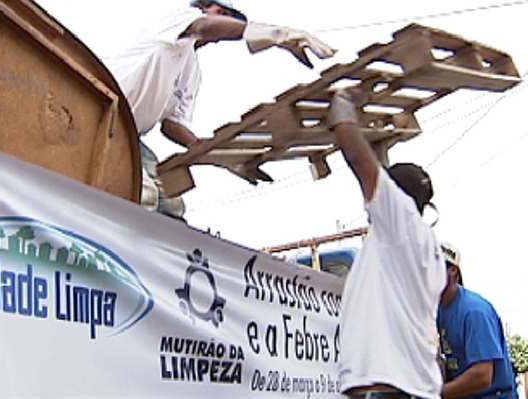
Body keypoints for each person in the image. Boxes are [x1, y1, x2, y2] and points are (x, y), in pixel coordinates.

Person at [105, 0, 336, 220]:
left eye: (230, 18)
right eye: (221, 14)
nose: (225, 24)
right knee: (142, 194)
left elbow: (172, 125)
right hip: (102, 110)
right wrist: (274, 34)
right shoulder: (181, 20)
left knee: (171, 204)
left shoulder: (191, 70)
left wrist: (219, 157)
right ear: (201, 7)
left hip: (130, 134)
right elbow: (204, 26)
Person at [327, 89, 447, 398]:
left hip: (391, 390)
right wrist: (379, 141)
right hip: (408, 387)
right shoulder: (419, 242)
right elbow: (380, 175)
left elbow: (358, 158)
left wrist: (343, 107)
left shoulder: (400, 223)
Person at [438, 241, 518, 399]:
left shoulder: (474, 312)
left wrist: (435, 393)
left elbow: (482, 376)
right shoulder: (438, 311)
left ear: (453, 270)